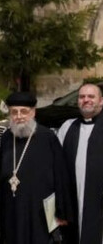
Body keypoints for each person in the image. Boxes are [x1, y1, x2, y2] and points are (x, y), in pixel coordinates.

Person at [0, 92, 75, 244]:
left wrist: (62, 211)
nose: (19, 116)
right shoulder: (7, 137)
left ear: (33, 112)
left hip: (39, 209)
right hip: (12, 207)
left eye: (24, 111)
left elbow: (61, 175)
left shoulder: (47, 137)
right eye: (14, 112)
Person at [57, 83, 103, 244]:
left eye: (91, 96)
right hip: (73, 201)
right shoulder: (68, 127)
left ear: (101, 101)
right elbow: (57, 168)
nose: (86, 100)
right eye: (82, 97)